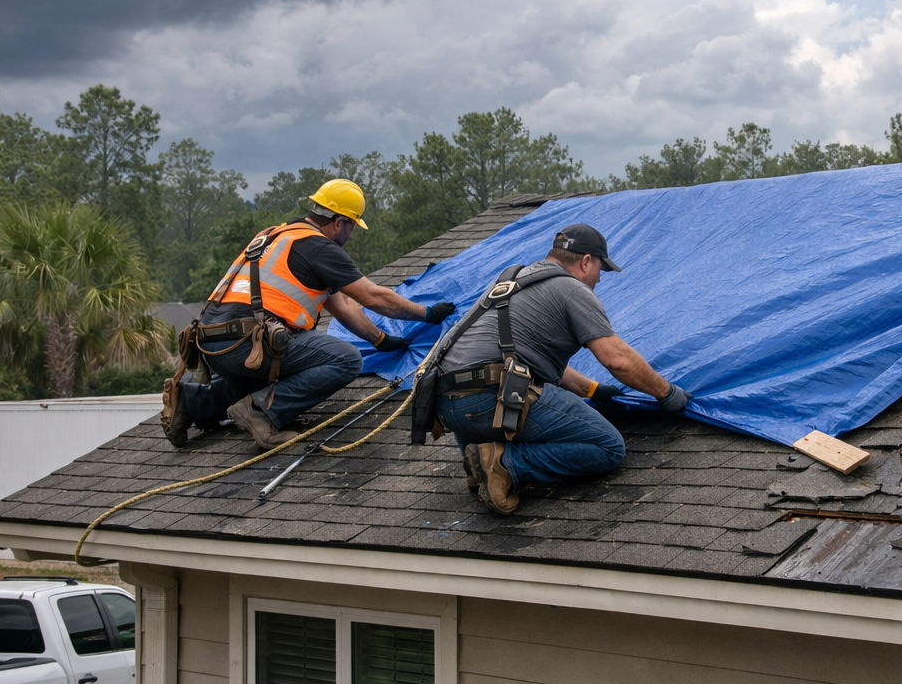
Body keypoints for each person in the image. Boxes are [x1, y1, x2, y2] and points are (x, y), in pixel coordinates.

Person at [162, 179, 455, 449]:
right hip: (247, 344)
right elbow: (373, 296)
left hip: (211, 345)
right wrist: (427, 313)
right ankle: (260, 412)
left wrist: (380, 340)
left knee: (272, 377)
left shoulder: (275, 235)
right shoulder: (319, 247)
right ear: (339, 222)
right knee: (346, 359)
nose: (351, 234)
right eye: (352, 226)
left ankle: (192, 402)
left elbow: (342, 305)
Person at [434, 223, 690, 515]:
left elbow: (520, 358)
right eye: (599, 270)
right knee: (608, 447)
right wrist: (666, 393)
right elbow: (616, 359)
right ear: (585, 262)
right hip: (487, 402)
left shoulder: (512, 278)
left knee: (519, 390)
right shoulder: (572, 289)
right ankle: (504, 464)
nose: (598, 280)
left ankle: (478, 462)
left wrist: (592, 389)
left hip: (446, 406)